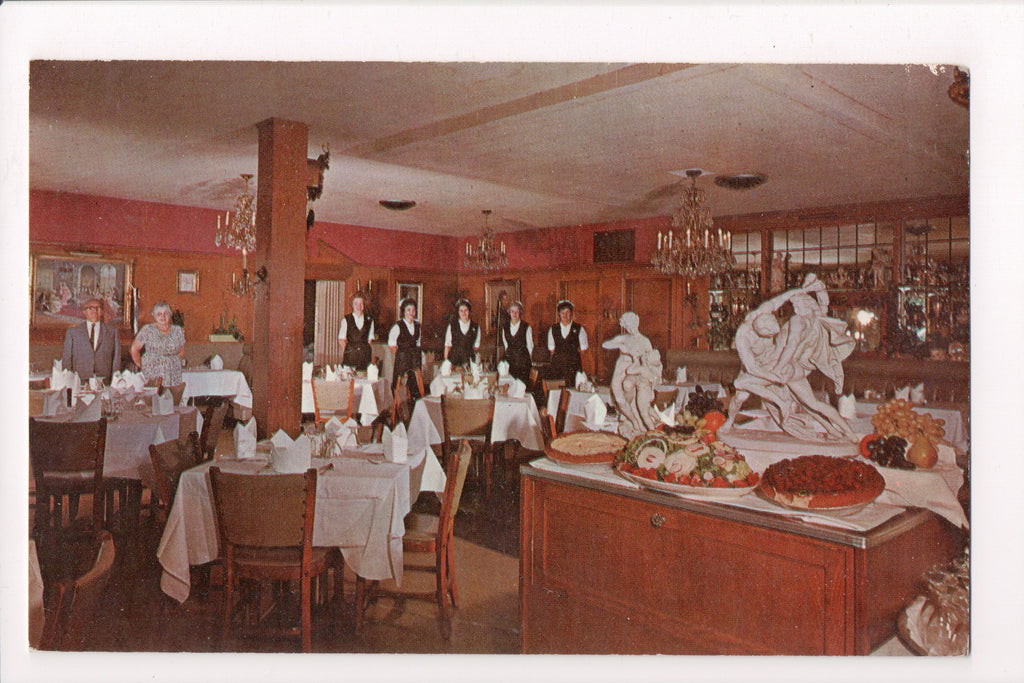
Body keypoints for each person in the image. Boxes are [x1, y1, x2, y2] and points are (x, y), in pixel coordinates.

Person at [602, 311, 654, 437]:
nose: (630, 328)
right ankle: (632, 419)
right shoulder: (624, 338)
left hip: (634, 371)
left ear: (637, 322)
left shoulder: (645, 341)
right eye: (627, 326)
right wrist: (620, 346)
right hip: (620, 368)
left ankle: (635, 421)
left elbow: (651, 361)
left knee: (630, 395)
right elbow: (605, 344)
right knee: (618, 396)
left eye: (631, 325)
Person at [61, 298, 121, 382]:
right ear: (84, 312)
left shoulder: (112, 332)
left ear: (102, 312)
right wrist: (69, 382)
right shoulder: (73, 332)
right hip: (80, 381)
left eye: (97, 308)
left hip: (104, 381)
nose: (94, 311)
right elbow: (66, 359)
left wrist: (115, 380)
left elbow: (116, 358)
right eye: (90, 308)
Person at [130, 301, 186, 387]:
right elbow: (134, 349)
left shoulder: (177, 330)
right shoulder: (147, 330)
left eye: (166, 313)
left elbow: (182, 351)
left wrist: (172, 362)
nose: (163, 317)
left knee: (172, 394)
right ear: (154, 315)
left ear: (170, 314)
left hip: (174, 374)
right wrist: (142, 365)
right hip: (152, 373)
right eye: (159, 314)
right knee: (154, 394)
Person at [547, 300, 588, 384]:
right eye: (562, 313)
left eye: (567, 313)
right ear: (559, 314)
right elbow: (551, 349)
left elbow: (583, 349)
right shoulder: (553, 329)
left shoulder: (579, 328)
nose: (565, 316)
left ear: (571, 314)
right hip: (557, 366)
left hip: (573, 366)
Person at [388, 297, 422, 396]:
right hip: (402, 361)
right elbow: (391, 345)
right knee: (397, 385)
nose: (411, 313)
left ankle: (414, 402)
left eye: (413, 310)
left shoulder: (417, 326)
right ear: (404, 312)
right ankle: (396, 403)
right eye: (408, 310)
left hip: (414, 361)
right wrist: (401, 356)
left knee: (415, 385)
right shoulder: (397, 326)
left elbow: (418, 344)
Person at [338, 292, 376, 370]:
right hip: (350, 357)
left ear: (364, 305)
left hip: (365, 357)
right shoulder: (346, 320)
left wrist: (363, 351)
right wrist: (350, 352)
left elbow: (370, 340)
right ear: (352, 305)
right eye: (356, 304)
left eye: (361, 303)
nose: (359, 306)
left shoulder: (370, 320)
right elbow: (341, 340)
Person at [499, 300, 534, 384]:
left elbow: (530, 348)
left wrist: (525, 361)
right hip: (510, 364)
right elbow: (506, 346)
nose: (514, 314)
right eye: (512, 311)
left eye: (517, 312)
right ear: (509, 313)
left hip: (523, 365)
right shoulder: (505, 327)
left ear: (520, 312)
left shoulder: (526, 327)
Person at [444, 298, 481, 367]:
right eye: (461, 311)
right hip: (453, 362)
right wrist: (447, 364)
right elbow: (447, 346)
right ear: (458, 312)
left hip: (469, 362)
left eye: (466, 310)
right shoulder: (452, 326)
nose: (463, 313)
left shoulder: (475, 327)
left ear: (469, 311)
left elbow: (476, 348)